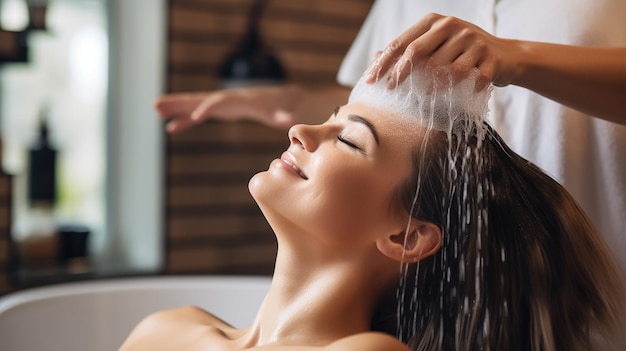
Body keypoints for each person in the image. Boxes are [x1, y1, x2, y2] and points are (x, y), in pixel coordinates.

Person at [124, 68, 626, 351]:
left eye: (347, 139)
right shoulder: (167, 328)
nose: (301, 132)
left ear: (406, 236)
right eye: (329, 120)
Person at [155, 5, 626, 291]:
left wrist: (519, 57)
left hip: (593, 278)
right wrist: (290, 101)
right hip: (451, 281)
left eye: (340, 135)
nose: (300, 130)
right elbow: (385, 114)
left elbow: (369, 136)